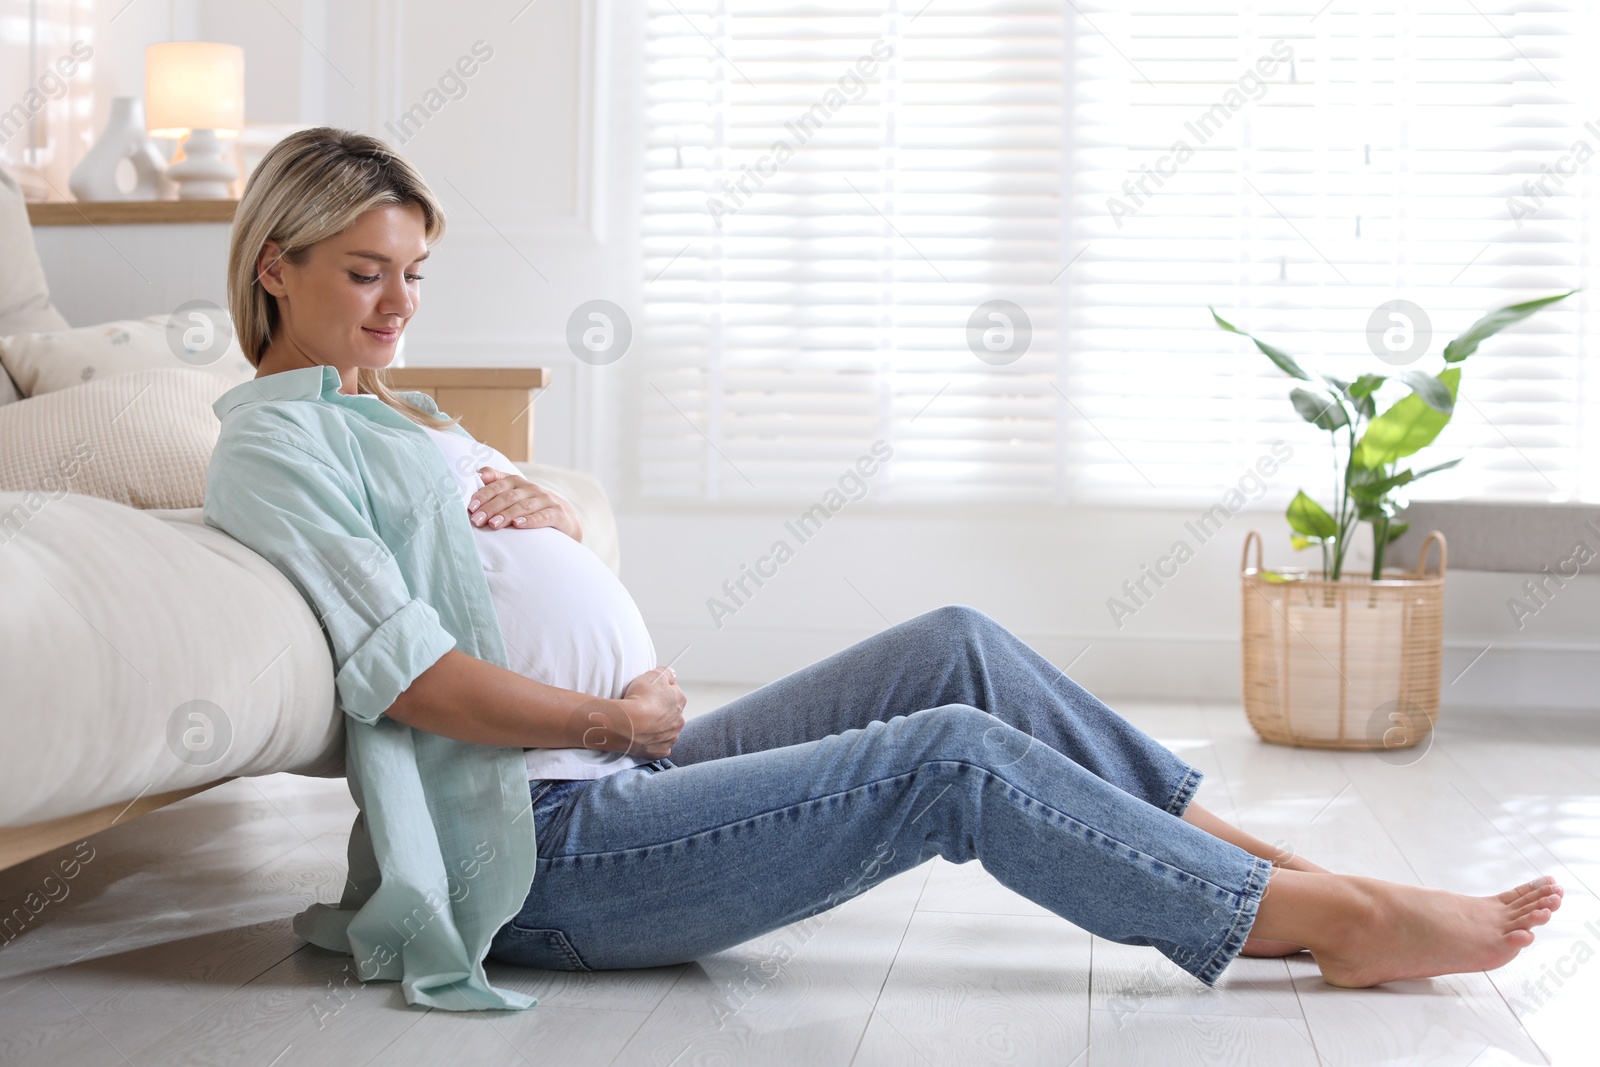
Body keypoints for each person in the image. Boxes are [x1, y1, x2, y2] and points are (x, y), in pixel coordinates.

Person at [202, 127, 1563, 1012]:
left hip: (630, 777)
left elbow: (481, 566)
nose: (400, 306)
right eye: (367, 274)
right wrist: (606, 714)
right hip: (547, 859)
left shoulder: (392, 411)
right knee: (951, 758)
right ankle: (1327, 921)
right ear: (276, 265)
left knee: (956, 644)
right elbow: (416, 678)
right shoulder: (274, 445)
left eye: (416, 274)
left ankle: (1294, 878)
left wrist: (551, 527)